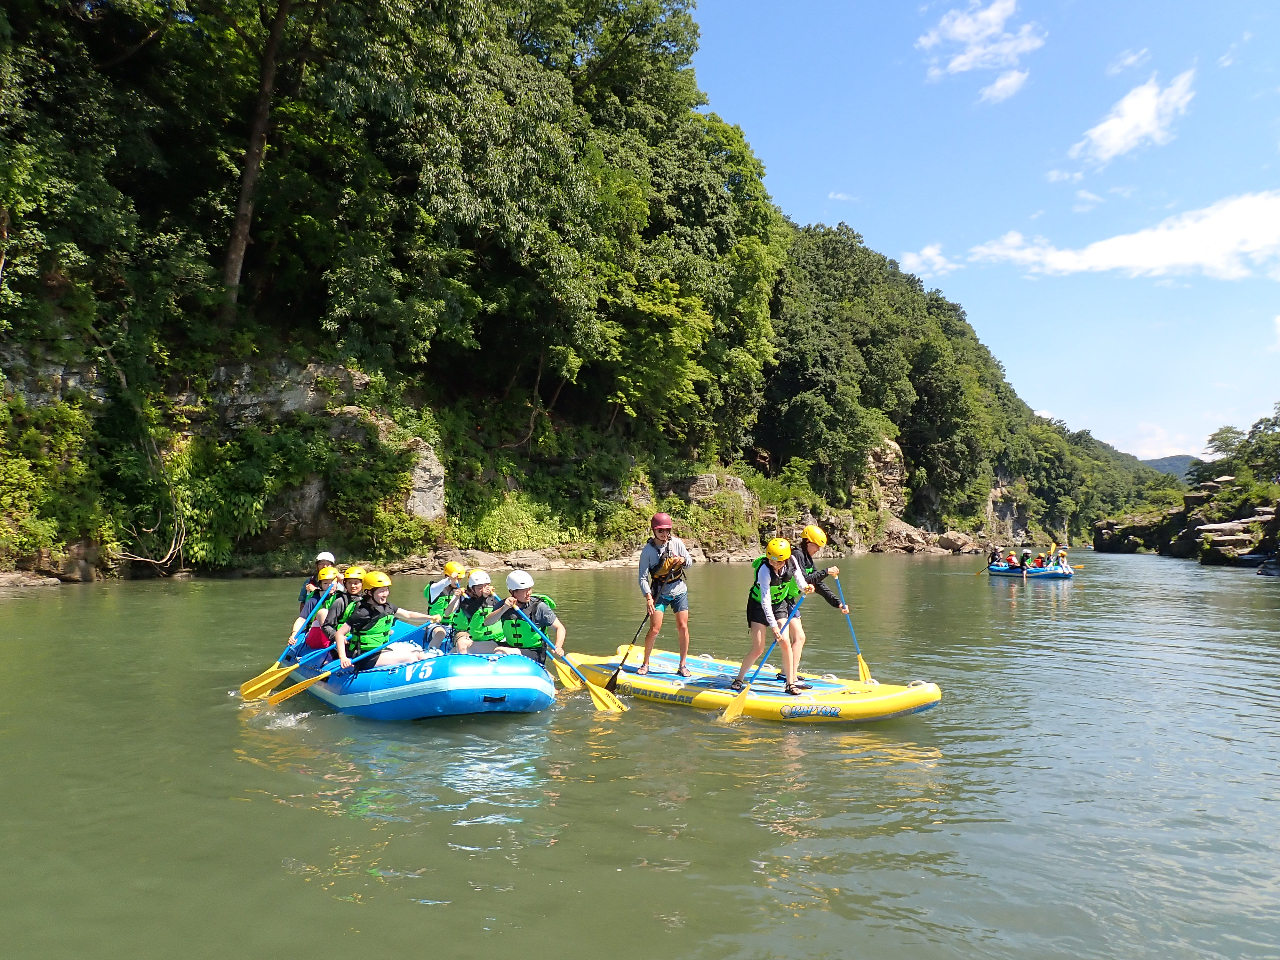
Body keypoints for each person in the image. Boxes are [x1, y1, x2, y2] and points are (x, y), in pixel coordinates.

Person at [730, 538, 813, 696]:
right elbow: (765, 601)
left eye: (779, 562)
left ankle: (790, 683)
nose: (775, 565)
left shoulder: (792, 561)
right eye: (772, 561)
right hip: (758, 607)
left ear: (786, 558)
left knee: (786, 642)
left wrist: (805, 587)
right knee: (758, 649)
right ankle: (739, 679)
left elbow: (800, 580)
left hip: (779, 605)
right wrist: (773, 626)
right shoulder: (764, 570)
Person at [333, 571, 433, 669]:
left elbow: (408, 615)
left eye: (386, 590)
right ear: (369, 592)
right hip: (365, 656)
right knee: (412, 657)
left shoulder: (387, 607)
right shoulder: (362, 612)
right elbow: (339, 634)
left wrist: (430, 618)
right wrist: (343, 657)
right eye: (381, 591)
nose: (385, 594)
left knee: (420, 654)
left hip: (380, 650)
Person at [788, 524, 849, 681]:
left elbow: (818, 584)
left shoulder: (807, 559)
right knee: (799, 638)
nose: (818, 550)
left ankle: (787, 672)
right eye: (817, 546)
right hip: (781, 601)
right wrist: (826, 571)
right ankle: (790, 676)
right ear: (808, 542)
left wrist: (838, 603)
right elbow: (805, 580)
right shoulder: (796, 555)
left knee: (799, 638)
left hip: (790, 602)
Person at [636, 512, 694, 677]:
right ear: (654, 531)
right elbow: (642, 578)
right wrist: (648, 598)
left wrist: (683, 560)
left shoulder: (676, 543)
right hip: (659, 593)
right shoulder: (647, 551)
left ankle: (682, 665)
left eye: (667, 530)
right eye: (660, 531)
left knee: (683, 627)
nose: (664, 534)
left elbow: (690, 562)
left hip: (679, 591)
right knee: (655, 629)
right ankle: (645, 663)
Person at [486, 570, 565, 665]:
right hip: (511, 647)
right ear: (512, 591)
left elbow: (560, 628)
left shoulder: (539, 607)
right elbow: (487, 622)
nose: (528, 593)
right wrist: (504, 608)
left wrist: (558, 646)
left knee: (499, 652)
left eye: (529, 589)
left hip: (534, 652)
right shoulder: (504, 604)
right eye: (524, 590)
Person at [442, 570, 505, 654]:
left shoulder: (496, 600)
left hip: (495, 638)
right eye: (479, 588)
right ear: (472, 589)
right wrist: (483, 597)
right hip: (467, 634)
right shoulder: (467, 601)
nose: (483, 590)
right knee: (462, 643)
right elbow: (470, 612)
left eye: (486, 586)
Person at [311, 566, 367, 650]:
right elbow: (327, 626)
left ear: (363, 584)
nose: (352, 586)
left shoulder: (369, 600)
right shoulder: (340, 601)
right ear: (345, 584)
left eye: (356, 583)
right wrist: (338, 637)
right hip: (345, 641)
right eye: (349, 583)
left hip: (363, 640)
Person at [290, 564, 340, 644]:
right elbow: (302, 619)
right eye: (325, 583)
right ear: (320, 585)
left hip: (337, 632)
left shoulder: (341, 597)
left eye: (332, 583)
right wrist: (294, 634)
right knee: (323, 612)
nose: (329, 586)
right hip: (318, 633)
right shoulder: (314, 599)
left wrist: (341, 579)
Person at [424, 560, 468, 648]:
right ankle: (431, 652)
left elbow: (450, 610)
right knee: (441, 633)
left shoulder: (457, 592)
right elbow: (440, 585)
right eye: (457, 579)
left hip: (451, 626)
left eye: (460, 579)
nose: (458, 582)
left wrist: (457, 597)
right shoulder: (434, 589)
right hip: (434, 625)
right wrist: (449, 580)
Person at [298, 551, 339, 617]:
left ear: (332, 566)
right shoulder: (309, 581)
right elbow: (303, 602)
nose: (325, 566)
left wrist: (316, 590)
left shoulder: (337, 580)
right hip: (313, 616)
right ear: (317, 566)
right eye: (322, 564)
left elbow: (338, 593)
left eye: (328, 564)